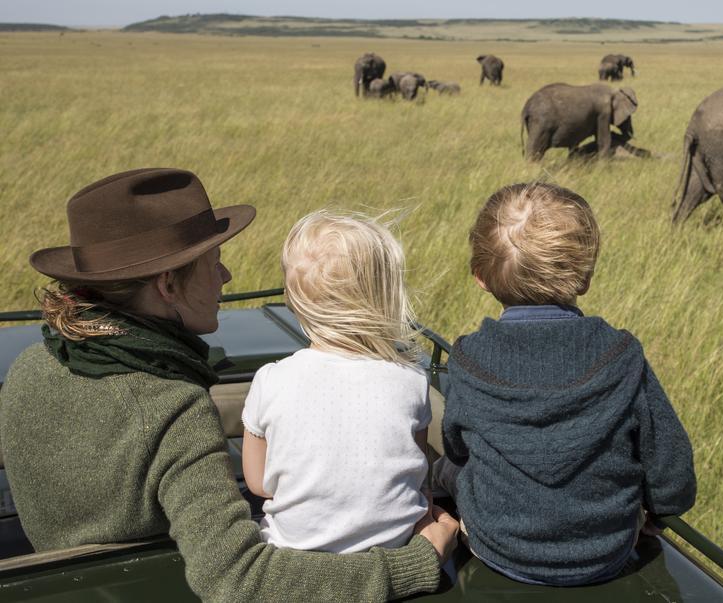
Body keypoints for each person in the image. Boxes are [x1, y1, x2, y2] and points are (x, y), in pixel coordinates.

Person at [0, 168, 457, 602]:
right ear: (167, 285)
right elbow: (240, 581)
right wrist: (416, 563)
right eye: (214, 263)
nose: (226, 277)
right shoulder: (167, 408)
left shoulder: (31, 365)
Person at [437, 182, 697, 586]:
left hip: (497, 548)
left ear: (481, 278)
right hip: (606, 555)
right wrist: (659, 512)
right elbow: (671, 467)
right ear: (584, 278)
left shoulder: (469, 358)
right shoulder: (622, 355)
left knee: (446, 467)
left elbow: (456, 446)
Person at [241, 210, 432, 554]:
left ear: (293, 300)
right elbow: (415, 472)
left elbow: (258, 483)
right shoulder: (412, 378)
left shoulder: (271, 380)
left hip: (293, 552)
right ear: (384, 296)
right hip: (395, 547)